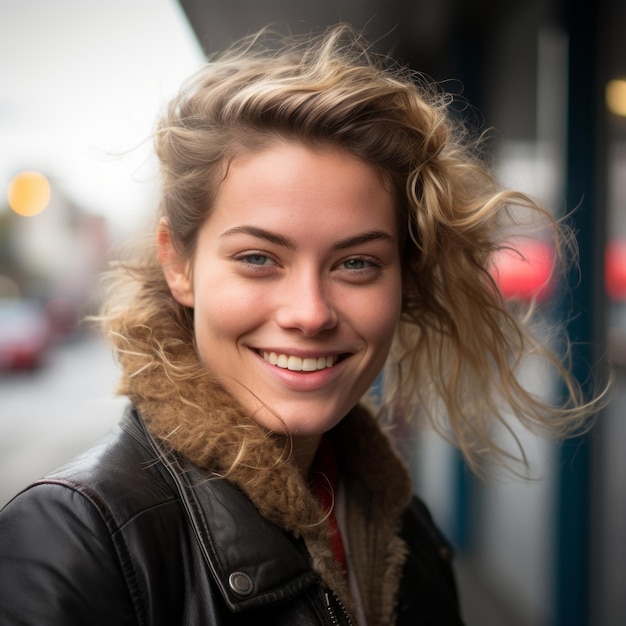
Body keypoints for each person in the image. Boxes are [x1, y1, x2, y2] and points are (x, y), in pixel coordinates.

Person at [0, 24, 604, 626]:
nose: (310, 313)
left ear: (404, 279)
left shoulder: (401, 523)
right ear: (178, 263)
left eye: (357, 263)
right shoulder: (76, 540)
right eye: (259, 259)